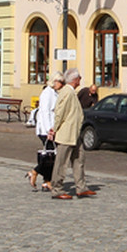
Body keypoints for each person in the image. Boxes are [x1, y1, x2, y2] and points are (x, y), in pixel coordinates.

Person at [48, 68, 92, 199]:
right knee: (61, 163)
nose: (81, 79)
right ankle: (57, 189)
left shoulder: (71, 92)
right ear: (75, 79)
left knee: (79, 159)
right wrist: (54, 129)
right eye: (79, 77)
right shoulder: (67, 92)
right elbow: (59, 112)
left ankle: (81, 187)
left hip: (74, 134)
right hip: (66, 134)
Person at [27, 75, 59, 191]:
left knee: (50, 156)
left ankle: (46, 181)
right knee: (50, 157)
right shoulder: (47, 93)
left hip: (50, 129)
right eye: (61, 82)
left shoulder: (54, 93)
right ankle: (35, 172)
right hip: (46, 130)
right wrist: (48, 130)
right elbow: (45, 112)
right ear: (55, 81)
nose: (62, 84)